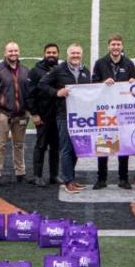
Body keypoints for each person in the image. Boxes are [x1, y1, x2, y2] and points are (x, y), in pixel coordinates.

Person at [40, 43, 92, 194]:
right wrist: (57, 92)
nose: (75, 56)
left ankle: (71, 179)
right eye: (73, 53)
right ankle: (67, 180)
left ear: (81, 55)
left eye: (78, 53)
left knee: (77, 148)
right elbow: (42, 84)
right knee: (66, 148)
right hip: (64, 115)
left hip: (81, 117)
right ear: (68, 55)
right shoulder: (59, 70)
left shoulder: (85, 71)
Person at [92, 33, 135, 190]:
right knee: (105, 145)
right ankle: (102, 179)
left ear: (122, 46)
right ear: (108, 46)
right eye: (113, 44)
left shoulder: (129, 64)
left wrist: (133, 83)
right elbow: (92, 86)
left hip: (124, 113)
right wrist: (102, 83)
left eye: (118, 44)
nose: (116, 47)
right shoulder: (100, 63)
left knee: (123, 146)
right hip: (106, 112)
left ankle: (123, 179)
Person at [0, 41, 31, 184]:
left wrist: (28, 110)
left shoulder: (25, 70)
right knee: (1, 144)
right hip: (4, 114)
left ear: (19, 52)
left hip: (21, 114)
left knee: (19, 144)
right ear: (5, 53)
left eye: (15, 51)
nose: (13, 53)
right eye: (10, 51)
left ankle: (20, 172)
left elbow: (29, 92)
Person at [27, 43, 61, 187]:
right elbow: (29, 95)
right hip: (43, 115)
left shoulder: (62, 70)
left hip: (58, 115)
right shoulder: (35, 71)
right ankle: (37, 176)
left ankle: (54, 175)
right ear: (44, 54)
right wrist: (34, 114)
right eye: (49, 52)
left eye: (54, 52)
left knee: (56, 147)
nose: (51, 55)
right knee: (41, 146)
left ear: (58, 54)